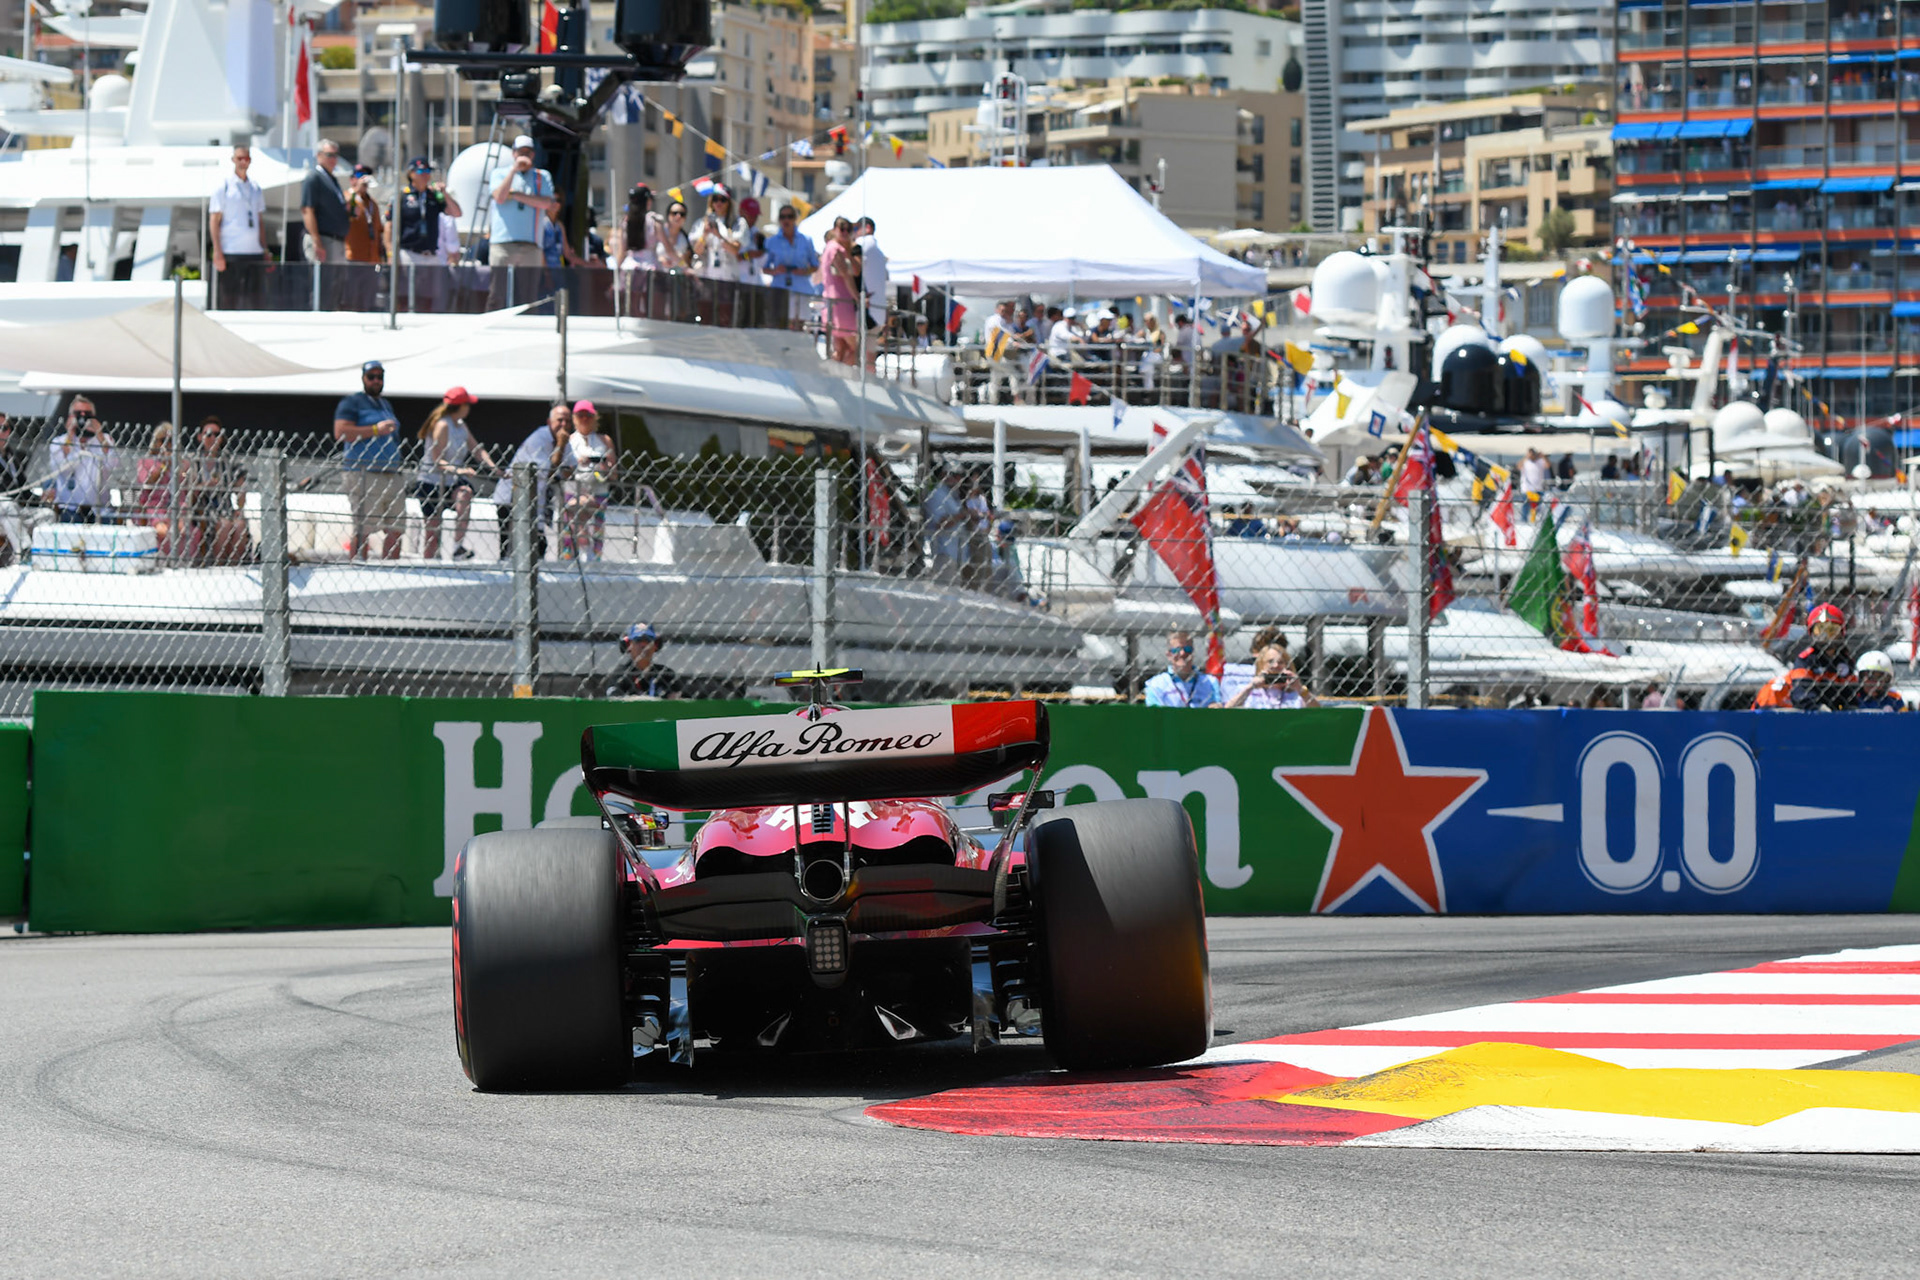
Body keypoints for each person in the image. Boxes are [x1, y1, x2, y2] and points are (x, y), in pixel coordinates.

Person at [412, 387, 496, 561]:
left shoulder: (460, 426)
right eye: (467, 405)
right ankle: (429, 562)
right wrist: (459, 470)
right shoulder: (442, 425)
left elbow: (476, 449)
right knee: (432, 531)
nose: (469, 409)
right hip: (431, 481)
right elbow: (437, 459)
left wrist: (493, 467)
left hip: (452, 480)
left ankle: (457, 547)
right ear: (460, 406)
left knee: (465, 494)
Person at [333, 360, 405, 559]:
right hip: (363, 472)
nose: (376, 381)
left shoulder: (385, 404)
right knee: (364, 527)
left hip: (390, 472)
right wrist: (375, 430)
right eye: (371, 377)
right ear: (363, 378)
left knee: (396, 526)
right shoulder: (351, 402)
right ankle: (358, 566)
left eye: (379, 377)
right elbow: (340, 432)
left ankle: (392, 570)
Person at [486, 134, 559, 308]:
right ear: (514, 153)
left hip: (531, 244)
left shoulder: (542, 176)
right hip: (501, 243)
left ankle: (527, 331)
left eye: (528, 152)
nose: (524, 156)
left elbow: (547, 203)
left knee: (528, 297)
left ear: (533, 154)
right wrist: (513, 171)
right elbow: (500, 197)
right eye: (521, 152)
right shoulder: (499, 173)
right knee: (497, 293)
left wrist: (516, 195)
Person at [499, 402, 573, 558]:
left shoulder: (566, 441)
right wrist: (560, 446)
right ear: (549, 422)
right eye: (560, 420)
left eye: (567, 421)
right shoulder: (539, 438)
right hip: (512, 497)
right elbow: (549, 472)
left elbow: (570, 471)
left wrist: (562, 448)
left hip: (536, 500)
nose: (564, 424)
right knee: (511, 545)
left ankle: (530, 579)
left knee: (538, 545)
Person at [393, 158, 461, 309]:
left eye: (428, 171)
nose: (425, 175)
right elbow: (391, 224)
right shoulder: (402, 196)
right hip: (410, 253)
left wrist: (444, 193)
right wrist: (392, 253)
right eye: (421, 171)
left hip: (431, 254)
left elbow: (456, 213)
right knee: (408, 294)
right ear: (411, 174)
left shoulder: (433, 197)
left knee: (430, 297)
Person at [184, 415, 250, 565]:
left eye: (217, 434)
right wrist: (204, 486)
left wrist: (240, 503)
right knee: (225, 525)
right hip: (202, 509)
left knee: (239, 525)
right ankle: (218, 565)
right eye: (209, 434)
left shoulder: (227, 460)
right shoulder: (192, 460)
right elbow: (184, 480)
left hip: (225, 508)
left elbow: (241, 480)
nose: (213, 438)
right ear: (200, 437)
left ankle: (234, 567)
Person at [557, 400, 616, 562]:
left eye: (588, 415)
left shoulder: (604, 440)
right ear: (575, 418)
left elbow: (614, 472)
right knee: (572, 528)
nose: (584, 419)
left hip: (598, 489)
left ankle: (595, 562)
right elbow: (561, 469)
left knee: (597, 532)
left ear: (594, 417)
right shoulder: (569, 440)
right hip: (573, 489)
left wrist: (600, 463)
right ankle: (569, 560)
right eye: (580, 415)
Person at [209, 145, 268, 307]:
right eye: (240, 158)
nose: (243, 162)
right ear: (233, 160)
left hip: (254, 252)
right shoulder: (224, 186)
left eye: (246, 158)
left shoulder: (255, 188)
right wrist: (217, 251)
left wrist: (265, 249)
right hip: (231, 251)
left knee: (255, 299)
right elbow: (214, 220)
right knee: (229, 298)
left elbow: (260, 220)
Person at [44, 395, 114, 523]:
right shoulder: (59, 442)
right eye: (78, 414)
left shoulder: (104, 440)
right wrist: (70, 436)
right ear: (70, 416)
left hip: (99, 508)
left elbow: (112, 465)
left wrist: (99, 434)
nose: (82, 417)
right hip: (69, 508)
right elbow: (61, 468)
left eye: (87, 414)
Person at [762, 202, 820, 324]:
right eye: (783, 217)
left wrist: (804, 271)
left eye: (789, 216)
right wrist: (776, 271)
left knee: (801, 326)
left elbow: (815, 266)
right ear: (779, 220)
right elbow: (764, 268)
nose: (786, 220)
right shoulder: (771, 242)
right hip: (780, 288)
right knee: (782, 325)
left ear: (795, 218)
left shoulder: (806, 240)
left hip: (802, 288)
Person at [299, 139, 349, 271]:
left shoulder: (332, 179)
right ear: (319, 155)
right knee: (321, 285)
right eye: (329, 155)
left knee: (335, 287)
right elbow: (307, 210)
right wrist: (317, 241)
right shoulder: (314, 177)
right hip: (323, 240)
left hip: (336, 240)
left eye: (335, 155)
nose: (333, 159)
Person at [1226, 643, 1318, 709]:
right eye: (1270, 662)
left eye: (1280, 662)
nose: (1276, 665)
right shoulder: (1250, 692)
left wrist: (1300, 689)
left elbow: (1318, 712)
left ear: (1287, 666)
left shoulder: (1296, 695)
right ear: (1261, 665)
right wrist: (1250, 687)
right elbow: (1227, 711)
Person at [819, 216, 860, 364]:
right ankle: (843, 377)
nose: (844, 232)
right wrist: (858, 298)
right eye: (841, 228)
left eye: (848, 229)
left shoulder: (832, 248)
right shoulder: (835, 249)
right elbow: (847, 276)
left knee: (840, 349)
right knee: (856, 348)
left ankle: (836, 379)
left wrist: (848, 249)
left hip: (833, 302)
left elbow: (855, 271)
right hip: (841, 304)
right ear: (834, 229)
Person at [1145, 631, 1223, 707]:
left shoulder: (1211, 682)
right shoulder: (1156, 684)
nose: (1182, 653)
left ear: (1193, 652)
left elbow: (1217, 710)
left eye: (1187, 649)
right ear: (1169, 655)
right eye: (1177, 650)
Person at [603, 622, 682, 698]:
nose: (644, 645)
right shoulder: (620, 675)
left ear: (655, 645)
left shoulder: (666, 675)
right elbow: (614, 700)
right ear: (628, 645)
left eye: (648, 640)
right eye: (638, 640)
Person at [921, 467, 968, 581]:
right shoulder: (937, 495)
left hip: (956, 553)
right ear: (943, 474)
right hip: (943, 552)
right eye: (954, 474)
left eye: (960, 476)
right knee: (947, 593)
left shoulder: (952, 494)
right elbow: (940, 523)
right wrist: (962, 515)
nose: (958, 479)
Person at [135, 423, 175, 551]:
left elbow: (185, 485)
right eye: (163, 440)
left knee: (191, 531)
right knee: (164, 531)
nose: (166, 445)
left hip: (175, 507)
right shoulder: (145, 462)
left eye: (170, 441)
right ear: (156, 442)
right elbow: (147, 482)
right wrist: (164, 466)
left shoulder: (180, 462)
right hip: (152, 507)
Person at [692, 185, 744, 280]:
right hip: (708, 275)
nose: (718, 203)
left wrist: (719, 235)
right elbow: (697, 251)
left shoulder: (737, 222)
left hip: (729, 275)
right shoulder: (702, 222)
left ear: (729, 202)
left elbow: (735, 250)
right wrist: (705, 234)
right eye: (715, 199)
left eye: (723, 199)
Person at [855, 216, 889, 349]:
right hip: (878, 312)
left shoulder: (862, 243)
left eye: (856, 228)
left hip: (865, 311)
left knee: (857, 354)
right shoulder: (880, 253)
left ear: (867, 228)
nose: (854, 232)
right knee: (869, 355)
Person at [615, 182, 663, 270]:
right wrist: (684, 266)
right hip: (650, 267)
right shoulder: (654, 221)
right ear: (647, 202)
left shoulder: (625, 222)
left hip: (629, 267)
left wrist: (615, 272)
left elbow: (622, 251)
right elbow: (668, 248)